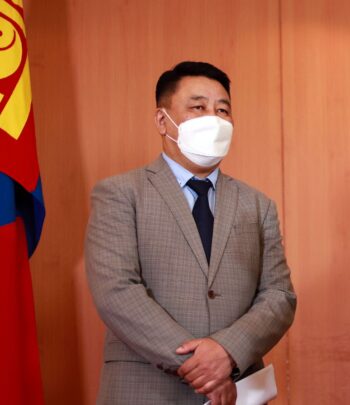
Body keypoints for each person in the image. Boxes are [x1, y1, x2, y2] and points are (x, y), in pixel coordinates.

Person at [85, 62, 296, 404]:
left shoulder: (259, 205)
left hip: (238, 389)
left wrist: (227, 352)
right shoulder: (121, 194)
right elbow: (117, 292)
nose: (213, 118)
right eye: (198, 107)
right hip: (145, 390)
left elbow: (279, 296)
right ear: (162, 120)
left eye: (222, 110)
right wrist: (202, 366)